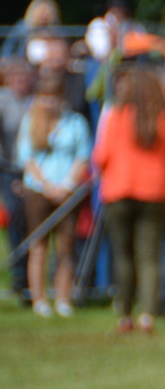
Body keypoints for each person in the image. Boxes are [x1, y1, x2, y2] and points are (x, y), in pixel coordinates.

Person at [93, 64, 165, 333]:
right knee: (149, 256)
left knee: (123, 254)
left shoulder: (116, 116)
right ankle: (148, 315)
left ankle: (124, 313)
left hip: (119, 190)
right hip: (155, 192)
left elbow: (101, 156)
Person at [16, 72, 91, 317]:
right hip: (38, 190)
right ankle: (39, 299)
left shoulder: (76, 122)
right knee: (38, 246)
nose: (48, 102)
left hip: (67, 190)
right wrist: (46, 186)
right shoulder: (30, 121)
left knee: (65, 247)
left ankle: (63, 298)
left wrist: (67, 184)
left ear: (61, 97)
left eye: (53, 97)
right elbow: (26, 158)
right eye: (44, 97)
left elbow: (83, 155)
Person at [0, 58, 33, 300]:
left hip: (35, 170)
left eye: (24, 78)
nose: (20, 83)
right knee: (14, 219)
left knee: (34, 221)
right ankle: (19, 274)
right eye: (16, 78)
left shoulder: (37, 100)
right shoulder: (3, 101)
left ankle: (33, 277)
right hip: (9, 169)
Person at [3, 0, 61, 65]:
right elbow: (8, 47)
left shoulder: (56, 32)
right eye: (41, 12)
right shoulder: (22, 28)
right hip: (22, 63)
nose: (43, 15)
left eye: (46, 12)